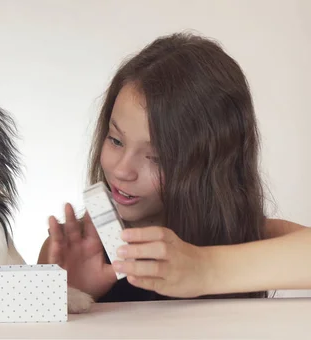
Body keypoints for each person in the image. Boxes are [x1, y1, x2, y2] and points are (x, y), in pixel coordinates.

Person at [37, 32, 309, 303]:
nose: (122, 170)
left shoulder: (251, 237)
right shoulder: (67, 251)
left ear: (209, 167)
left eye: (156, 157)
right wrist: (69, 299)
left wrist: (203, 269)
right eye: (116, 140)